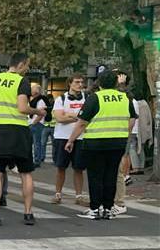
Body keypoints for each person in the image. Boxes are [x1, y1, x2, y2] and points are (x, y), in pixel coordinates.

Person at [0, 53, 44, 226]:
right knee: (26, 173)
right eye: (27, 65)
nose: (27, 69)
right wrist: (38, 112)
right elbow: (22, 107)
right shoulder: (22, 81)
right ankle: (28, 213)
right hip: (19, 131)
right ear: (20, 64)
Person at [66, 70, 137, 220]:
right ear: (116, 83)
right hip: (117, 142)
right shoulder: (124, 98)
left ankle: (95, 208)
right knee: (110, 176)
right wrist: (125, 133)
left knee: (95, 176)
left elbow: (82, 123)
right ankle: (108, 208)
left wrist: (71, 140)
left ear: (100, 83)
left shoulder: (95, 98)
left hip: (96, 142)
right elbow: (132, 120)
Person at [50, 74, 89, 206]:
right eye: (77, 82)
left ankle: (79, 195)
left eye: (81, 82)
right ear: (70, 84)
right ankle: (58, 194)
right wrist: (80, 117)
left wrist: (71, 115)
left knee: (79, 168)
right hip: (62, 136)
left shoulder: (87, 98)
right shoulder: (61, 98)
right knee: (61, 167)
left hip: (81, 137)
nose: (80, 85)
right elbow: (60, 118)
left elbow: (90, 117)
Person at [29, 84, 48, 168]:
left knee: (37, 143)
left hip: (37, 124)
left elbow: (41, 113)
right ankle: (33, 159)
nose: (30, 91)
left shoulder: (40, 101)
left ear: (36, 91)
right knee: (33, 143)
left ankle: (37, 161)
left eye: (32, 89)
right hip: (33, 123)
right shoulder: (33, 100)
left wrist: (34, 123)